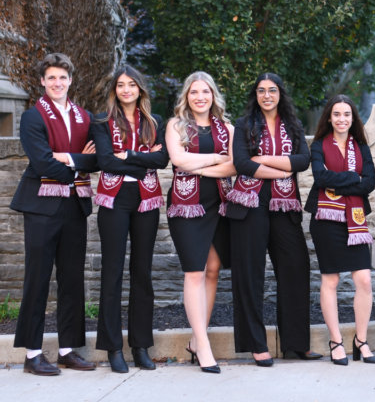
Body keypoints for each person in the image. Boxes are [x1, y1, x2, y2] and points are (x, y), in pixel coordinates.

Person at [12, 53, 98, 376]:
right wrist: (76, 162)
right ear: (42, 82)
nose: (57, 83)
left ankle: (67, 350)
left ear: (71, 80)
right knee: (37, 278)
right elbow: (41, 162)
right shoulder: (32, 117)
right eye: (51, 78)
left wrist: (67, 158)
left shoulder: (84, 117)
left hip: (74, 206)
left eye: (62, 78)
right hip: (40, 206)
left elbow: (96, 160)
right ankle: (33, 354)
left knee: (72, 278)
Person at [225, 74, 317, 367]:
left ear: (280, 93)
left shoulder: (294, 125)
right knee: (249, 275)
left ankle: (295, 344)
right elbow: (241, 163)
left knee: (295, 267)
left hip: (284, 203)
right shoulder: (244, 125)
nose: (267, 95)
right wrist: (281, 169)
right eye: (261, 90)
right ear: (256, 95)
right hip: (250, 204)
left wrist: (263, 160)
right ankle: (256, 344)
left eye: (272, 90)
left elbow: (303, 161)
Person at [92, 66, 169, 373]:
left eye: (131, 85)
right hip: (114, 200)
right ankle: (113, 347)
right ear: (115, 90)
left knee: (142, 272)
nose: (126, 90)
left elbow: (162, 160)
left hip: (146, 200)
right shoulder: (102, 121)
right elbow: (104, 160)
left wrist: (128, 157)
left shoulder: (154, 121)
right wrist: (142, 160)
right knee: (112, 273)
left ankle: (140, 345)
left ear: (140, 89)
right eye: (120, 85)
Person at [165, 72, 236, 373]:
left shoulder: (228, 129)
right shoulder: (175, 125)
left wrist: (200, 167)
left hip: (219, 203)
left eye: (205, 92)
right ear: (187, 96)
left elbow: (234, 164)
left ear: (213, 95)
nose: (199, 97)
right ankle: (203, 344)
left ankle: (196, 340)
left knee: (214, 269)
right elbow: (179, 161)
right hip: (186, 205)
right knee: (195, 271)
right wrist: (213, 160)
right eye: (194, 92)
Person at [306, 95, 375, 365]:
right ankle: (336, 341)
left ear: (353, 118)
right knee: (331, 281)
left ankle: (361, 340)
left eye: (346, 114)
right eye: (336, 114)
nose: (341, 119)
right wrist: (352, 178)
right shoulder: (319, 146)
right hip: (326, 221)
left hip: (355, 219)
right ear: (329, 117)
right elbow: (320, 177)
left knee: (364, 281)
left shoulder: (361, 147)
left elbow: (369, 183)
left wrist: (340, 182)